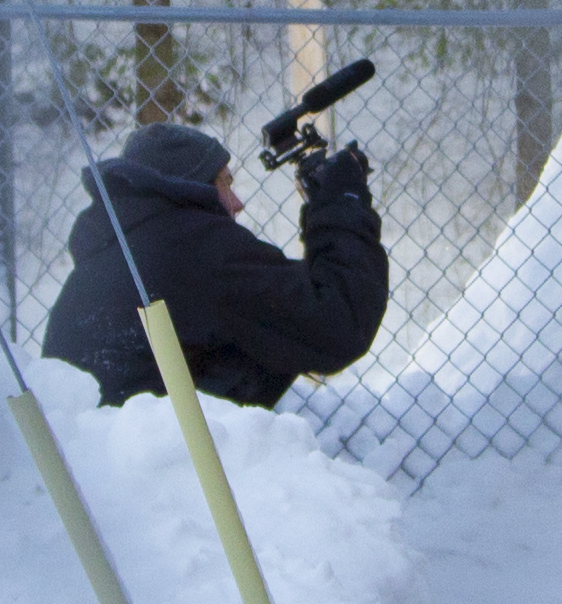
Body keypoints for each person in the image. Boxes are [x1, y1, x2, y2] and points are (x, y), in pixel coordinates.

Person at [37, 118, 385, 411]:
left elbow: (285, 304)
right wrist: (342, 201)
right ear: (193, 189)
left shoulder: (122, 249)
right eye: (225, 184)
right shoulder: (194, 247)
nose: (237, 203)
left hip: (96, 459)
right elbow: (338, 323)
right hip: (169, 474)